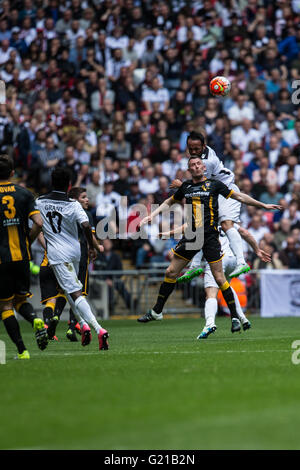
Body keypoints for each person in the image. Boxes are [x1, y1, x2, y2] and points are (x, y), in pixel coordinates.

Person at [137, 155, 281, 333]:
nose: (196, 167)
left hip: (210, 237)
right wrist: (152, 215)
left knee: (220, 279)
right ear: (189, 170)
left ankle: (235, 316)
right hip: (192, 236)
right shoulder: (186, 187)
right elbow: (169, 201)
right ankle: (157, 311)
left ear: (204, 168)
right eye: (192, 165)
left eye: (199, 164)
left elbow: (239, 197)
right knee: (170, 271)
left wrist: (262, 205)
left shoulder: (214, 185)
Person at [36, 168, 109, 350]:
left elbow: (36, 224)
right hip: (75, 252)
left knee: (74, 293)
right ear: (68, 185)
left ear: (51, 182)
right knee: (69, 292)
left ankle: (98, 329)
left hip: (57, 254)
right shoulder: (73, 204)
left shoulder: (40, 202)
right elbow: (85, 226)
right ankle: (82, 325)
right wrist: (91, 247)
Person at [174, 224, 271, 338]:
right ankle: (242, 317)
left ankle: (209, 323)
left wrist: (170, 233)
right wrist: (257, 249)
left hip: (217, 258)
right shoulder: (227, 220)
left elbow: (193, 235)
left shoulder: (206, 221)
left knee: (211, 294)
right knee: (226, 288)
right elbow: (245, 233)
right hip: (233, 258)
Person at [183, 131, 253, 278]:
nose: (194, 151)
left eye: (197, 149)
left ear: (204, 146)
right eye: (191, 149)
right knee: (201, 225)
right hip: (216, 191)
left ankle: (241, 262)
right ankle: (195, 266)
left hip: (226, 191)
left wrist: (181, 187)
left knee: (227, 225)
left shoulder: (206, 162)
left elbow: (200, 184)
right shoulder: (202, 154)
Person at [0, 154, 47, 359]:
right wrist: (27, 240)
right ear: (12, 173)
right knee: (21, 300)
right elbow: (39, 223)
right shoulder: (24, 194)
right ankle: (35, 319)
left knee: (5, 306)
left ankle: (22, 350)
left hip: (1, 260)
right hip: (22, 256)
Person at [65, 186, 104, 341]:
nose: (87, 199)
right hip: (79, 255)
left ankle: (58, 323)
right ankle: (75, 324)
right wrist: (96, 247)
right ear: (75, 200)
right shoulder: (85, 214)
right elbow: (90, 235)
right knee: (79, 291)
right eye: (83, 197)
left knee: (66, 291)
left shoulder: (65, 213)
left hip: (62, 255)